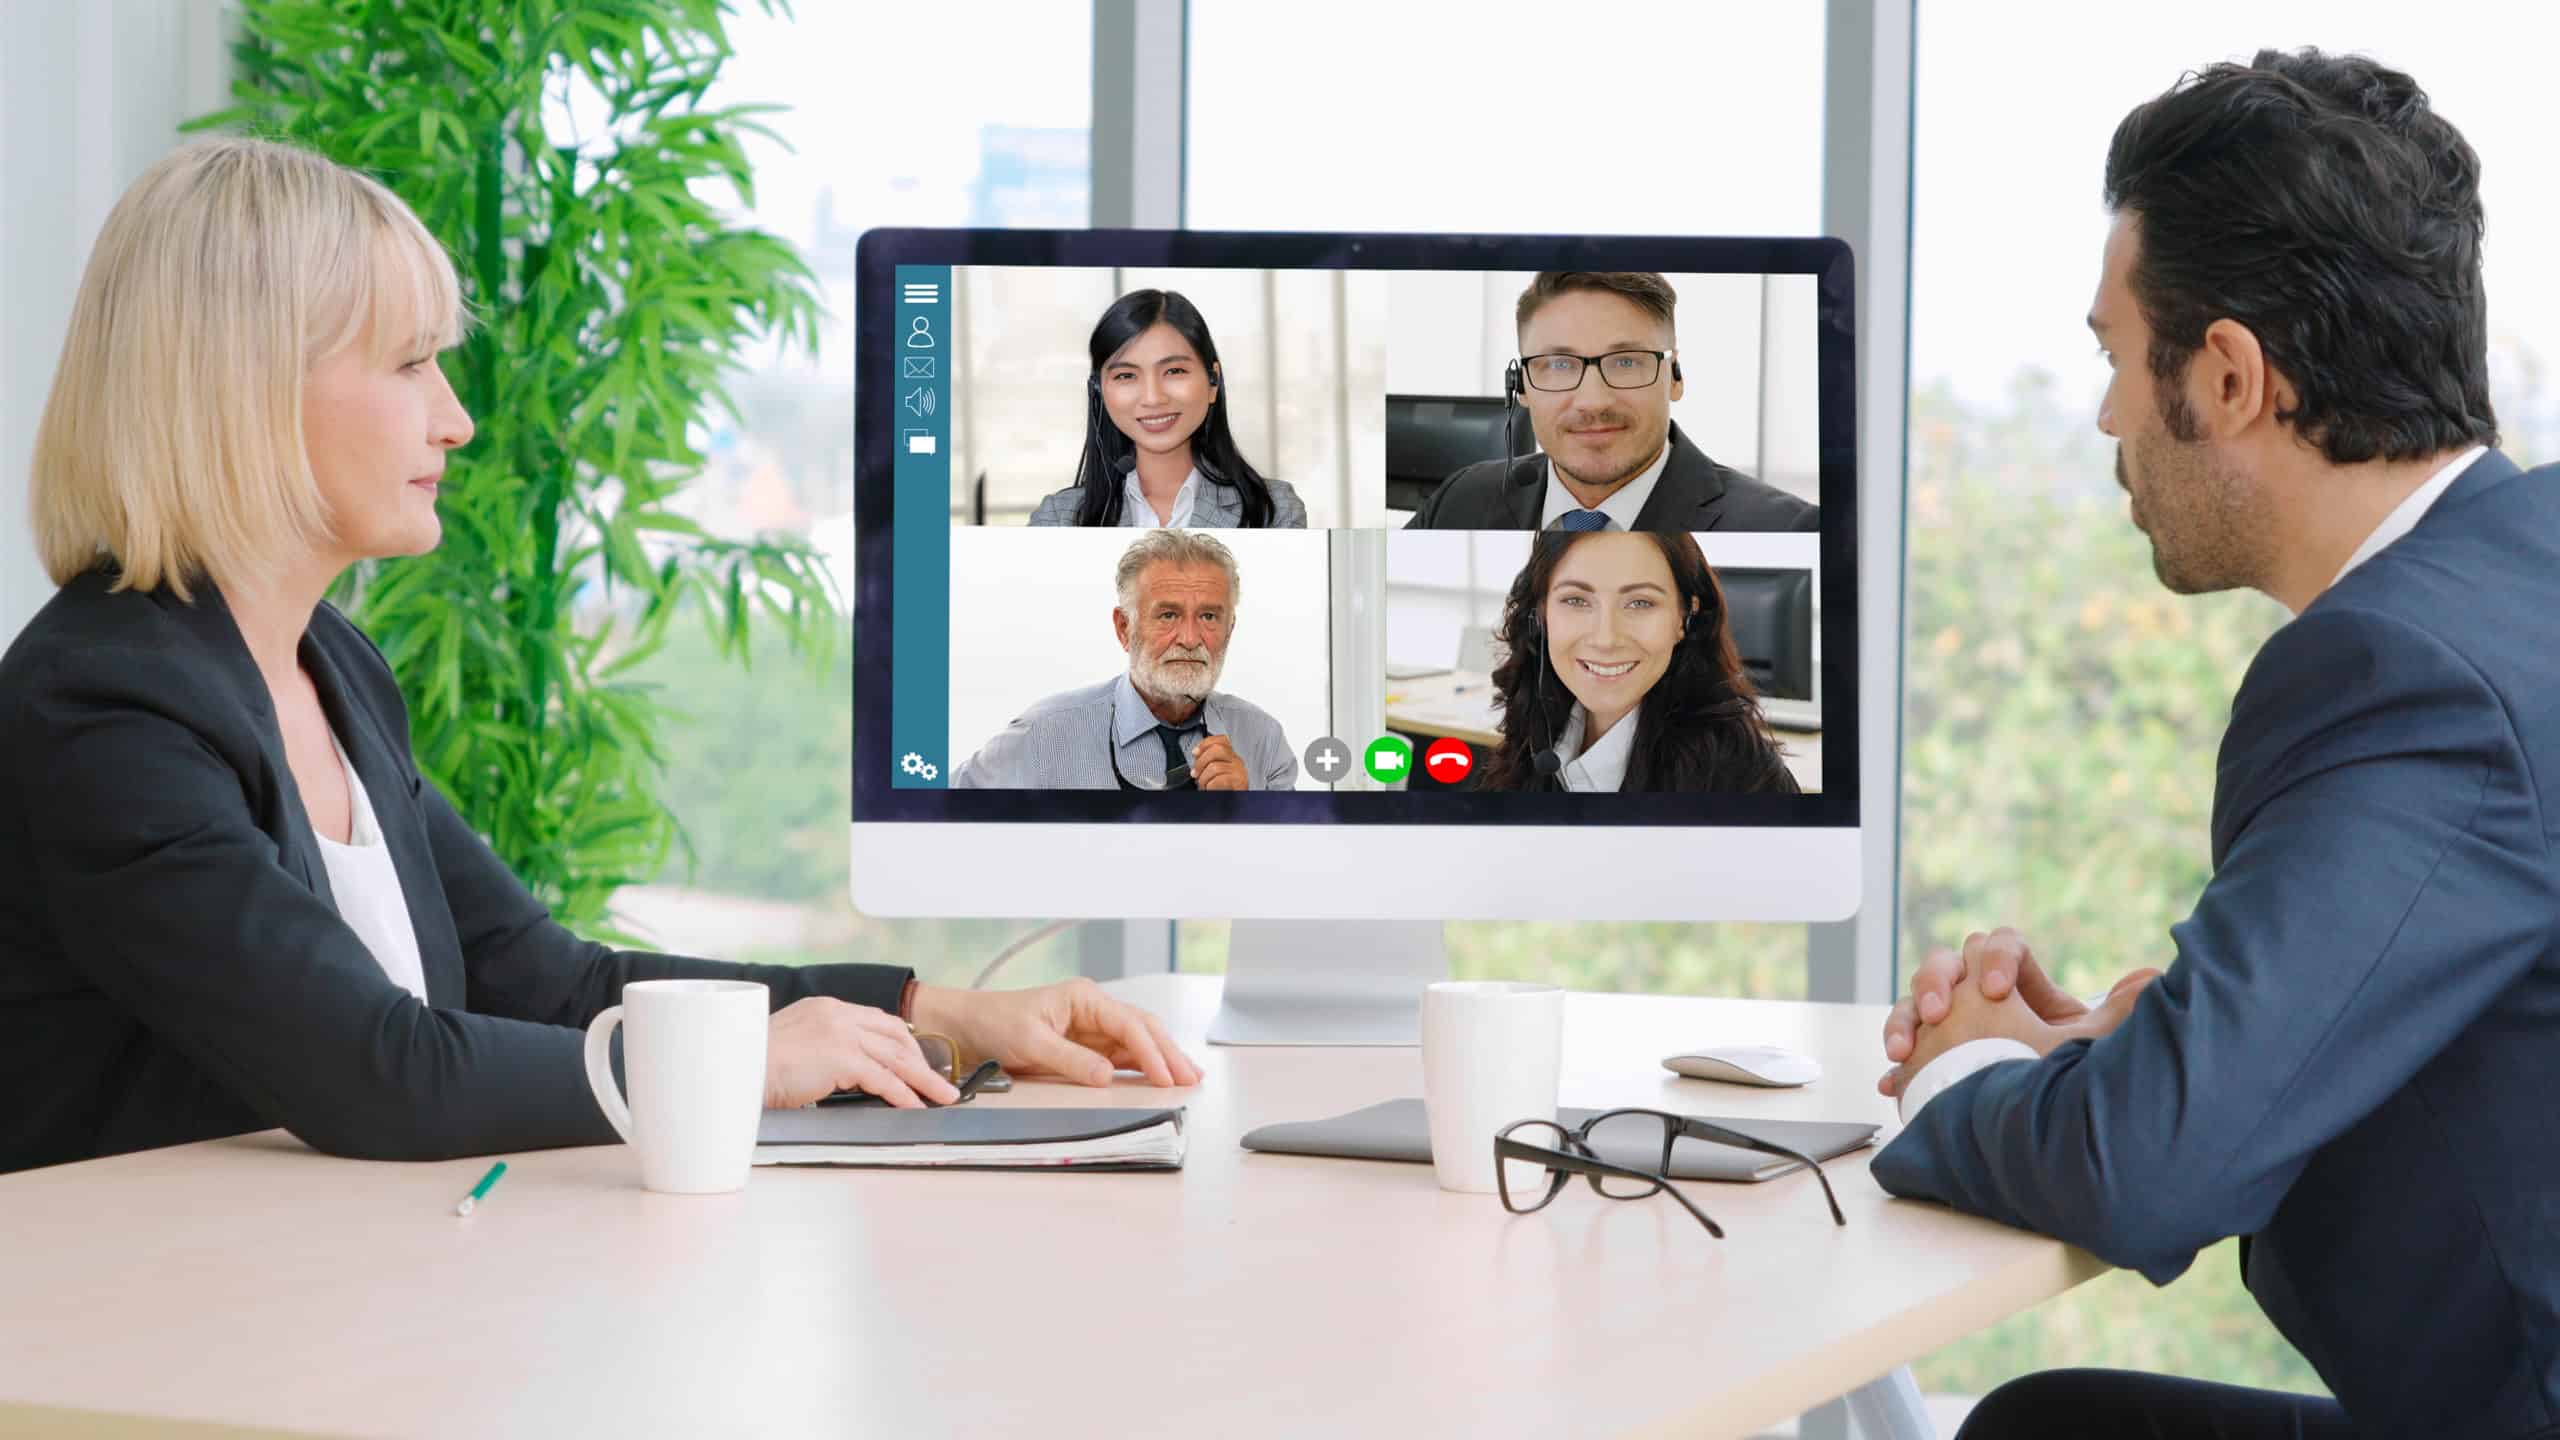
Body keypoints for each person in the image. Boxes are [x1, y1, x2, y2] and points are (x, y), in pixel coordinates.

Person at [0, 137, 1202, 1178]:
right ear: (245, 389)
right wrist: (738, 1067)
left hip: (300, 1286)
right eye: (410, 362)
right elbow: (377, 1069)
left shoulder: (330, 667)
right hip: (130, 1331)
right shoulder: (106, 707)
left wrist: (931, 1011)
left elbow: (542, 977)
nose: (455, 418)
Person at [1866, 50, 2559, 1439]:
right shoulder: (2525, 577)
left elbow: (2153, 1174)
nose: (2113, 417)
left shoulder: (2403, 676)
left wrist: (1969, 1075)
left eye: (2118, 359)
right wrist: (2139, 1048)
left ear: (2232, 376)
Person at [1403, 271, 1818, 532]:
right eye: (1559, 365)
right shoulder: (1459, 501)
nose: (1592, 400)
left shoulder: (1787, 528)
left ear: (1675, 377)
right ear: (1522, 387)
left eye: (1625, 361)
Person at [951, 529, 1296, 790]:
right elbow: (928, 817)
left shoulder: (1262, 739)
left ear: (1229, 629)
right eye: (1168, 615)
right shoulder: (1044, 735)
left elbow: (1293, 869)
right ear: (1123, 628)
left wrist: (1251, 812)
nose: (1190, 639)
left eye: (1208, 617)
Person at [1472, 531, 1797, 794]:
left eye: (1640, 603)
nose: (1606, 639)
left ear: (1685, 617)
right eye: (1575, 600)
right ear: (1540, 615)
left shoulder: (1742, 777)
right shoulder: (1535, 732)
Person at [1026, 289, 1308, 528]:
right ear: (1099, 390)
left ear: (1213, 381)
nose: (1153, 397)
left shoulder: (1275, 511)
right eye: (1126, 375)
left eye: (1174, 371)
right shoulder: (1058, 518)